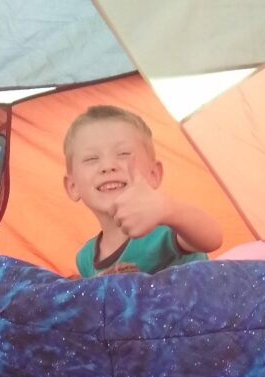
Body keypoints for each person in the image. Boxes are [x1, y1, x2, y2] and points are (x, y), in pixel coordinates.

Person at [63, 105, 223, 277]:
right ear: (72, 186)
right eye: (91, 158)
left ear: (154, 174)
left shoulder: (165, 230)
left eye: (123, 153)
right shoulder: (85, 258)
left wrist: (168, 209)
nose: (108, 166)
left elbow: (212, 237)